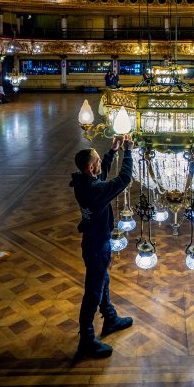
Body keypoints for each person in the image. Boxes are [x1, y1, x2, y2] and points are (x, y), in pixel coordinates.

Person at [70, 135, 135, 359]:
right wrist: (128, 152)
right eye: (97, 160)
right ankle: (86, 340)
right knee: (93, 292)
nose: (100, 162)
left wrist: (112, 151)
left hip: (95, 242)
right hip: (97, 245)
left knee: (102, 280)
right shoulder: (95, 191)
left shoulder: (84, 182)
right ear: (90, 168)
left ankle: (110, 318)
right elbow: (124, 179)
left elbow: (101, 175)